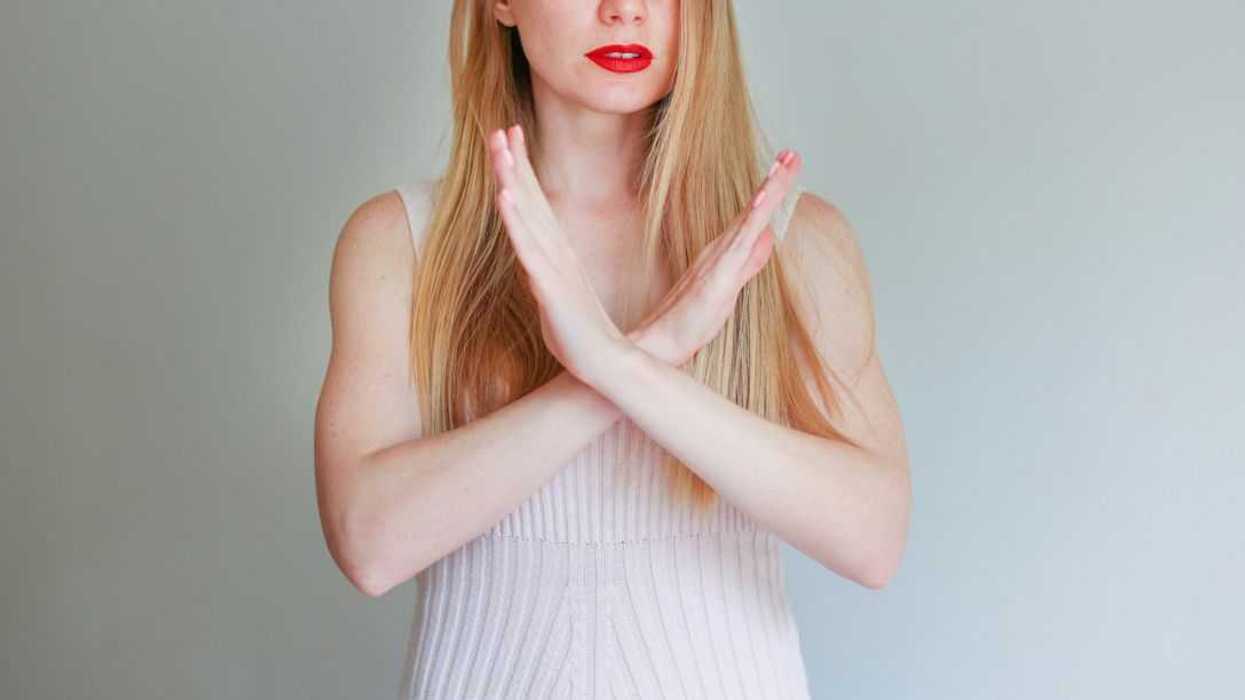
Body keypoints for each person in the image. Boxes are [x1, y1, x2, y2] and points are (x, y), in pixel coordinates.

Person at [314, 1, 911, 697]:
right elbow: (370, 546)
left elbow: (874, 541)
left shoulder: (788, 243)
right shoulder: (402, 243)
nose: (623, 10)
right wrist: (635, 358)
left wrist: (613, 361)